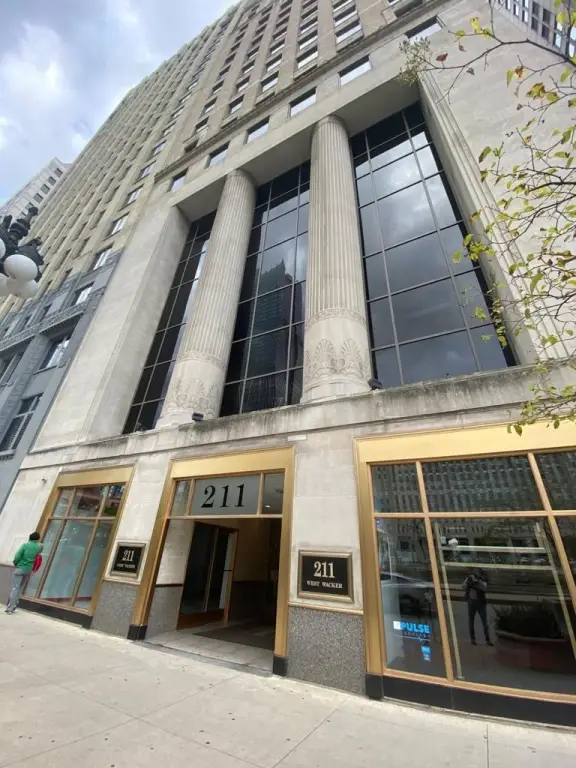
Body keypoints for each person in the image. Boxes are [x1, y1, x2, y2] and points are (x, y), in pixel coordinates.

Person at [5, 532, 43, 614]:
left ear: (30, 538)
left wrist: (16, 564)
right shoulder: (39, 547)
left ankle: (10, 608)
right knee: (19, 588)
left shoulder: (25, 545)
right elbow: (40, 549)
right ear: (37, 539)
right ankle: (14, 605)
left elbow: (17, 556)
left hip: (20, 568)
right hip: (28, 570)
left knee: (15, 588)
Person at [463, 568, 492, 645]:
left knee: (484, 621)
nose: (476, 573)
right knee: (471, 620)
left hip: (480, 602)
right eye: (475, 572)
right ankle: (473, 639)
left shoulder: (483, 579)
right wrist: (469, 584)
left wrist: (476, 583)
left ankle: (488, 640)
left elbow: (484, 589)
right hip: (471, 602)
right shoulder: (469, 578)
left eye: (478, 572)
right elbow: (463, 587)